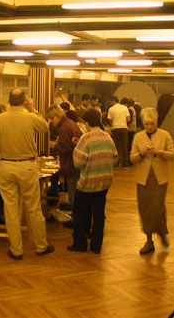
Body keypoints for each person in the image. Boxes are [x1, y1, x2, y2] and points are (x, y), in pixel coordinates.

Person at [0, 89, 54, 260]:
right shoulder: (30, 117)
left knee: (10, 210)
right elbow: (45, 127)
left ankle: (16, 250)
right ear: (24, 101)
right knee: (34, 209)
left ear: (9, 101)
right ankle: (41, 246)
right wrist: (32, 109)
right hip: (27, 166)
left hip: (6, 166)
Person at [70, 108, 118, 253]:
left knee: (80, 213)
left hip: (88, 183)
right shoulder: (107, 136)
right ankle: (96, 246)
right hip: (104, 182)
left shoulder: (86, 138)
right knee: (98, 214)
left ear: (87, 122)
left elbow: (78, 162)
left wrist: (76, 148)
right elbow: (115, 158)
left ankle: (80, 244)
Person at [130, 107, 174, 254]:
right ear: (143, 123)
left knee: (157, 208)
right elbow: (132, 158)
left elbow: (173, 154)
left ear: (157, 121)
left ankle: (162, 232)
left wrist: (160, 152)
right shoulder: (138, 137)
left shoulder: (165, 135)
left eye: (152, 123)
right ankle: (149, 240)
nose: (150, 127)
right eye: (146, 124)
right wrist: (141, 153)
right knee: (145, 210)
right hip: (143, 179)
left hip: (160, 179)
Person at [45, 104, 82, 227]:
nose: (51, 121)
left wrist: (54, 145)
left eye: (52, 118)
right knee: (75, 195)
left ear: (58, 116)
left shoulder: (65, 127)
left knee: (73, 196)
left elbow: (66, 149)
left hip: (71, 165)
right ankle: (77, 221)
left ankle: (77, 223)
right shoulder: (71, 123)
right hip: (75, 164)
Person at [107, 96, 130, 169]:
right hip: (124, 128)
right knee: (124, 147)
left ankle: (116, 164)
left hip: (115, 128)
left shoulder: (111, 109)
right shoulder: (125, 108)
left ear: (112, 101)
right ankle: (125, 164)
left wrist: (114, 123)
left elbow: (110, 120)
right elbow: (128, 119)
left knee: (116, 147)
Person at [124, 97, 137, 165]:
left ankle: (129, 161)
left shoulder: (130, 110)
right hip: (133, 128)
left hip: (130, 129)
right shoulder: (133, 109)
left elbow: (129, 120)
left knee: (128, 145)